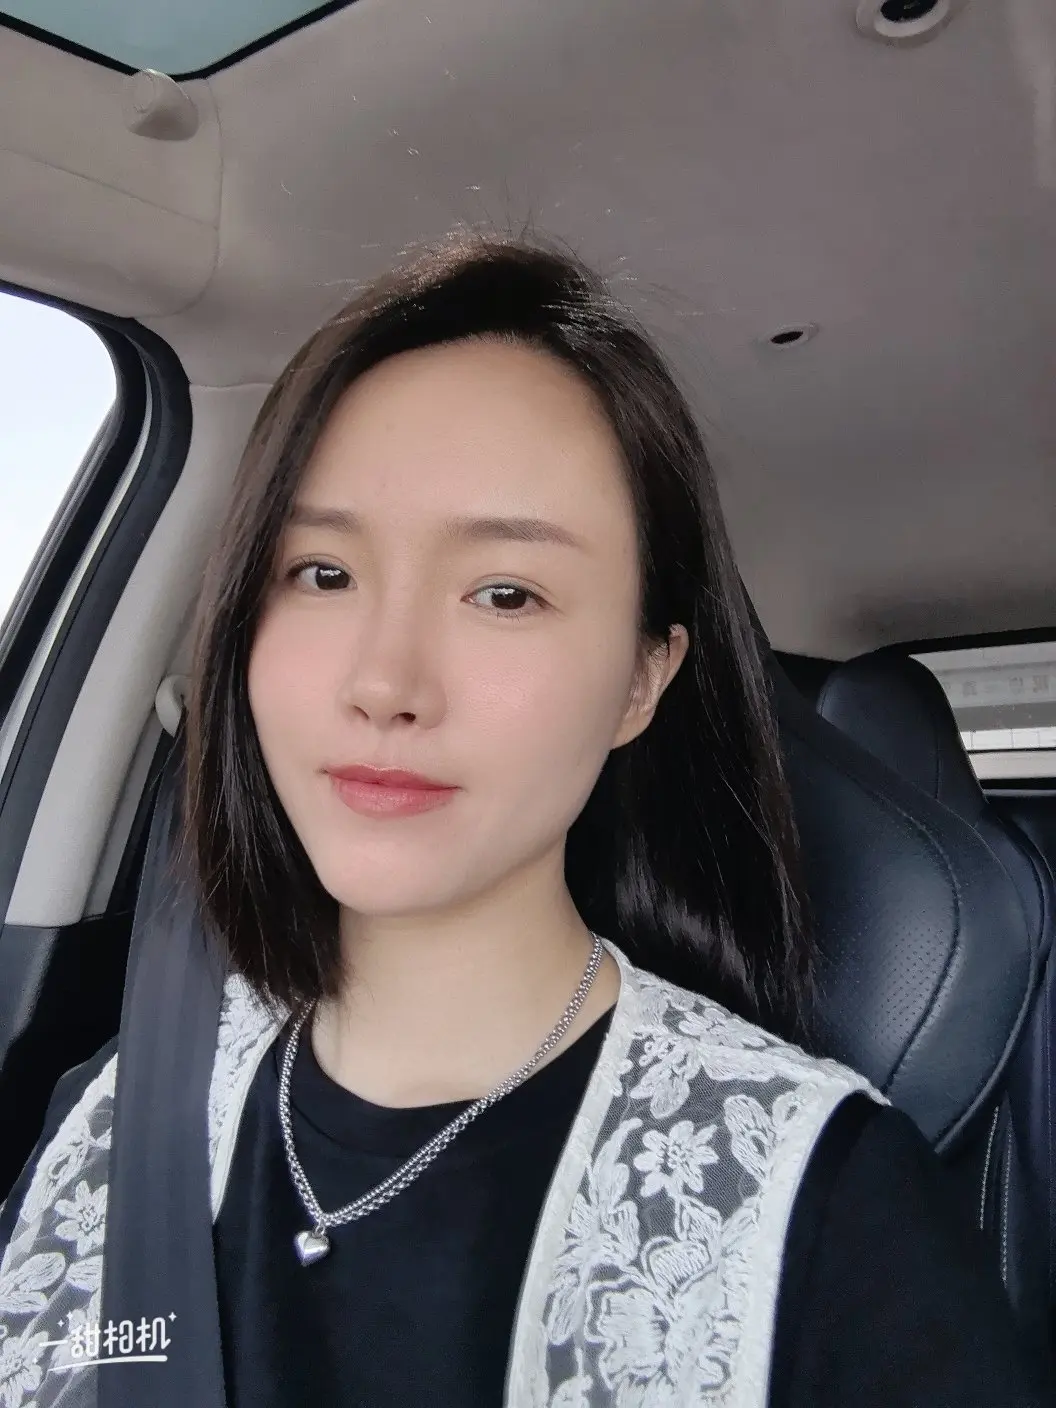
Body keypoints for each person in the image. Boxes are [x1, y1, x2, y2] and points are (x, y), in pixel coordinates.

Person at [0, 234, 1051, 1408]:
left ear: (642, 681)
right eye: (322, 573)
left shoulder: (830, 1221)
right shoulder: (118, 1110)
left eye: (505, 592)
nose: (384, 681)